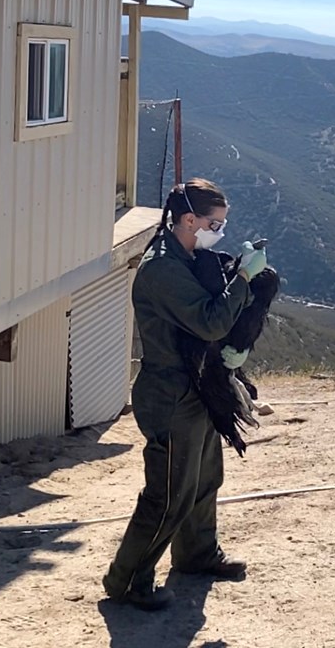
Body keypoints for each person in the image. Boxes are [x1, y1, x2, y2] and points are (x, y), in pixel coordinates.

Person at [102, 178, 267, 611]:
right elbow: (210, 322)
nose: (219, 231)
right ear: (188, 219)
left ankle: (196, 555)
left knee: (205, 478)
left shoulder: (186, 256)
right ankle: (126, 581)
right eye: (215, 223)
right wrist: (245, 281)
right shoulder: (162, 270)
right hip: (169, 392)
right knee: (169, 493)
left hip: (196, 386)